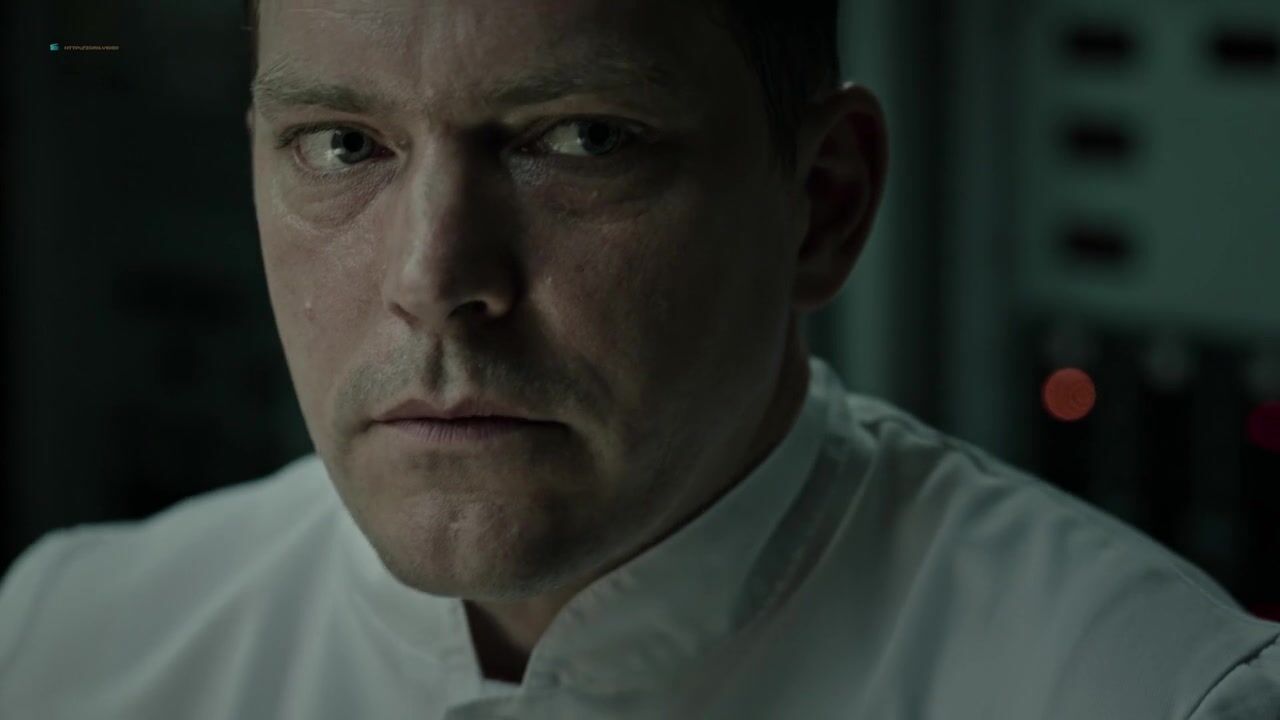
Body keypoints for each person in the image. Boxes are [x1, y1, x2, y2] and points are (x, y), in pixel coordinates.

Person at [2, 0, 1277, 717]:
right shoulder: (66, 646)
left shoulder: (1148, 699)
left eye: (581, 139)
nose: (433, 283)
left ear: (821, 204)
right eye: (342, 146)